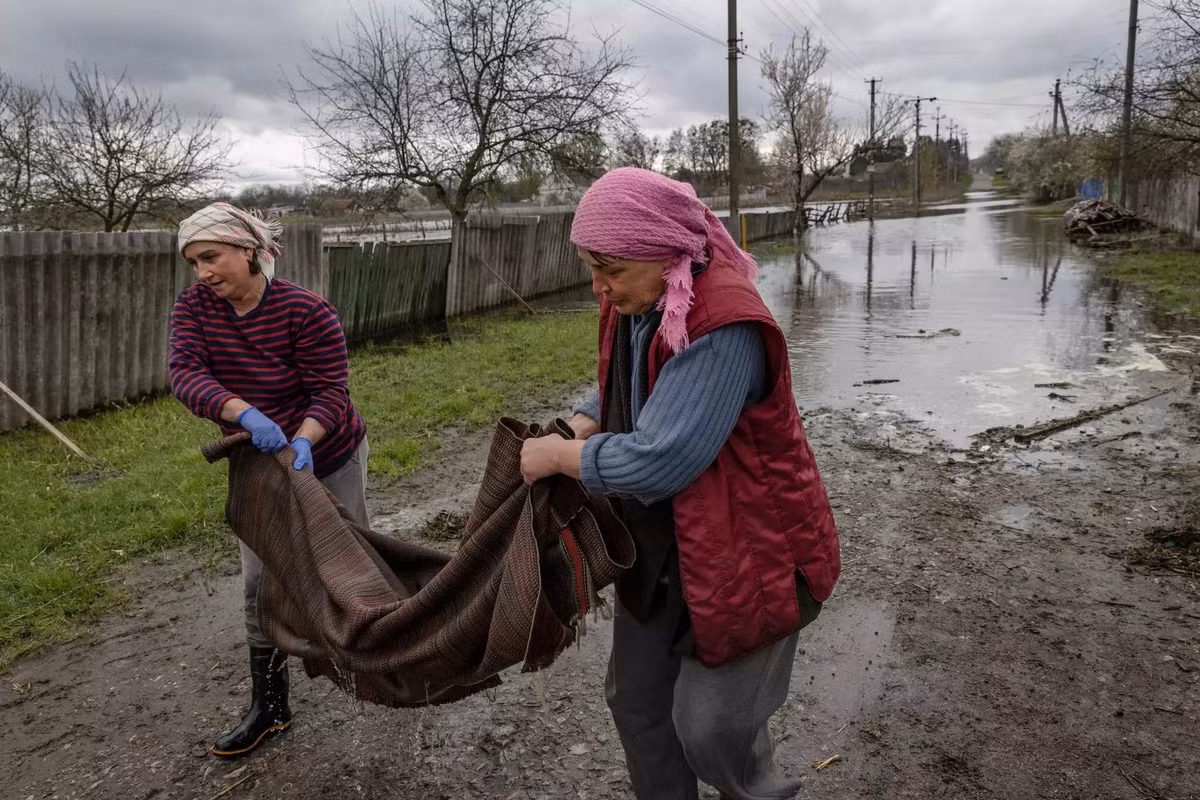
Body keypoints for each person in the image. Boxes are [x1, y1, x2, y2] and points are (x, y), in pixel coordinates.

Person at [519, 168, 840, 800]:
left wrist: (559, 455)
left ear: (666, 252)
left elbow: (661, 460)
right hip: (662, 551)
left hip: (747, 555)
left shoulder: (724, 325)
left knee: (713, 730)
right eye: (591, 268)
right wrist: (587, 417)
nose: (599, 287)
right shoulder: (644, 298)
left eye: (609, 269)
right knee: (636, 703)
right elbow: (634, 380)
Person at [168, 202, 369, 758]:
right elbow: (185, 374)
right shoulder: (194, 308)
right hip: (257, 460)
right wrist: (243, 412)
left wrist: (305, 439)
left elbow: (331, 390)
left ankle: (373, 659)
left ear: (249, 251)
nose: (203, 272)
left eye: (211, 257)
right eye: (194, 262)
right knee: (261, 580)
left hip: (328, 450)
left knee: (347, 560)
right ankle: (271, 706)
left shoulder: (306, 310)